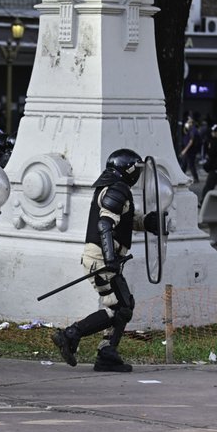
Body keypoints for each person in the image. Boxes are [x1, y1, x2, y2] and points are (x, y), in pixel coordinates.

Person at [50, 149, 162, 372]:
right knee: (118, 308)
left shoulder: (116, 188)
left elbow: (122, 221)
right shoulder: (117, 189)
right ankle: (71, 334)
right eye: (136, 170)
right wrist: (110, 258)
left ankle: (107, 352)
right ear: (127, 170)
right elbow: (105, 225)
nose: (138, 175)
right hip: (101, 259)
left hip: (106, 258)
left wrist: (147, 222)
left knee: (123, 306)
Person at [199, 124, 217, 204]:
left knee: (208, 187)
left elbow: (211, 156)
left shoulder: (213, 143)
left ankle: (203, 202)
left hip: (215, 170)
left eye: (213, 131)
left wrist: (206, 166)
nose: (212, 133)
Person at [178, 116, 201, 183]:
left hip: (190, 151)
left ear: (191, 122)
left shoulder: (193, 130)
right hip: (189, 151)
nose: (187, 123)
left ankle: (196, 178)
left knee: (191, 165)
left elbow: (191, 141)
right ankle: (181, 177)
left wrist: (184, 150)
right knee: (185, 164)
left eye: (188, 122)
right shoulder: (190, 130)